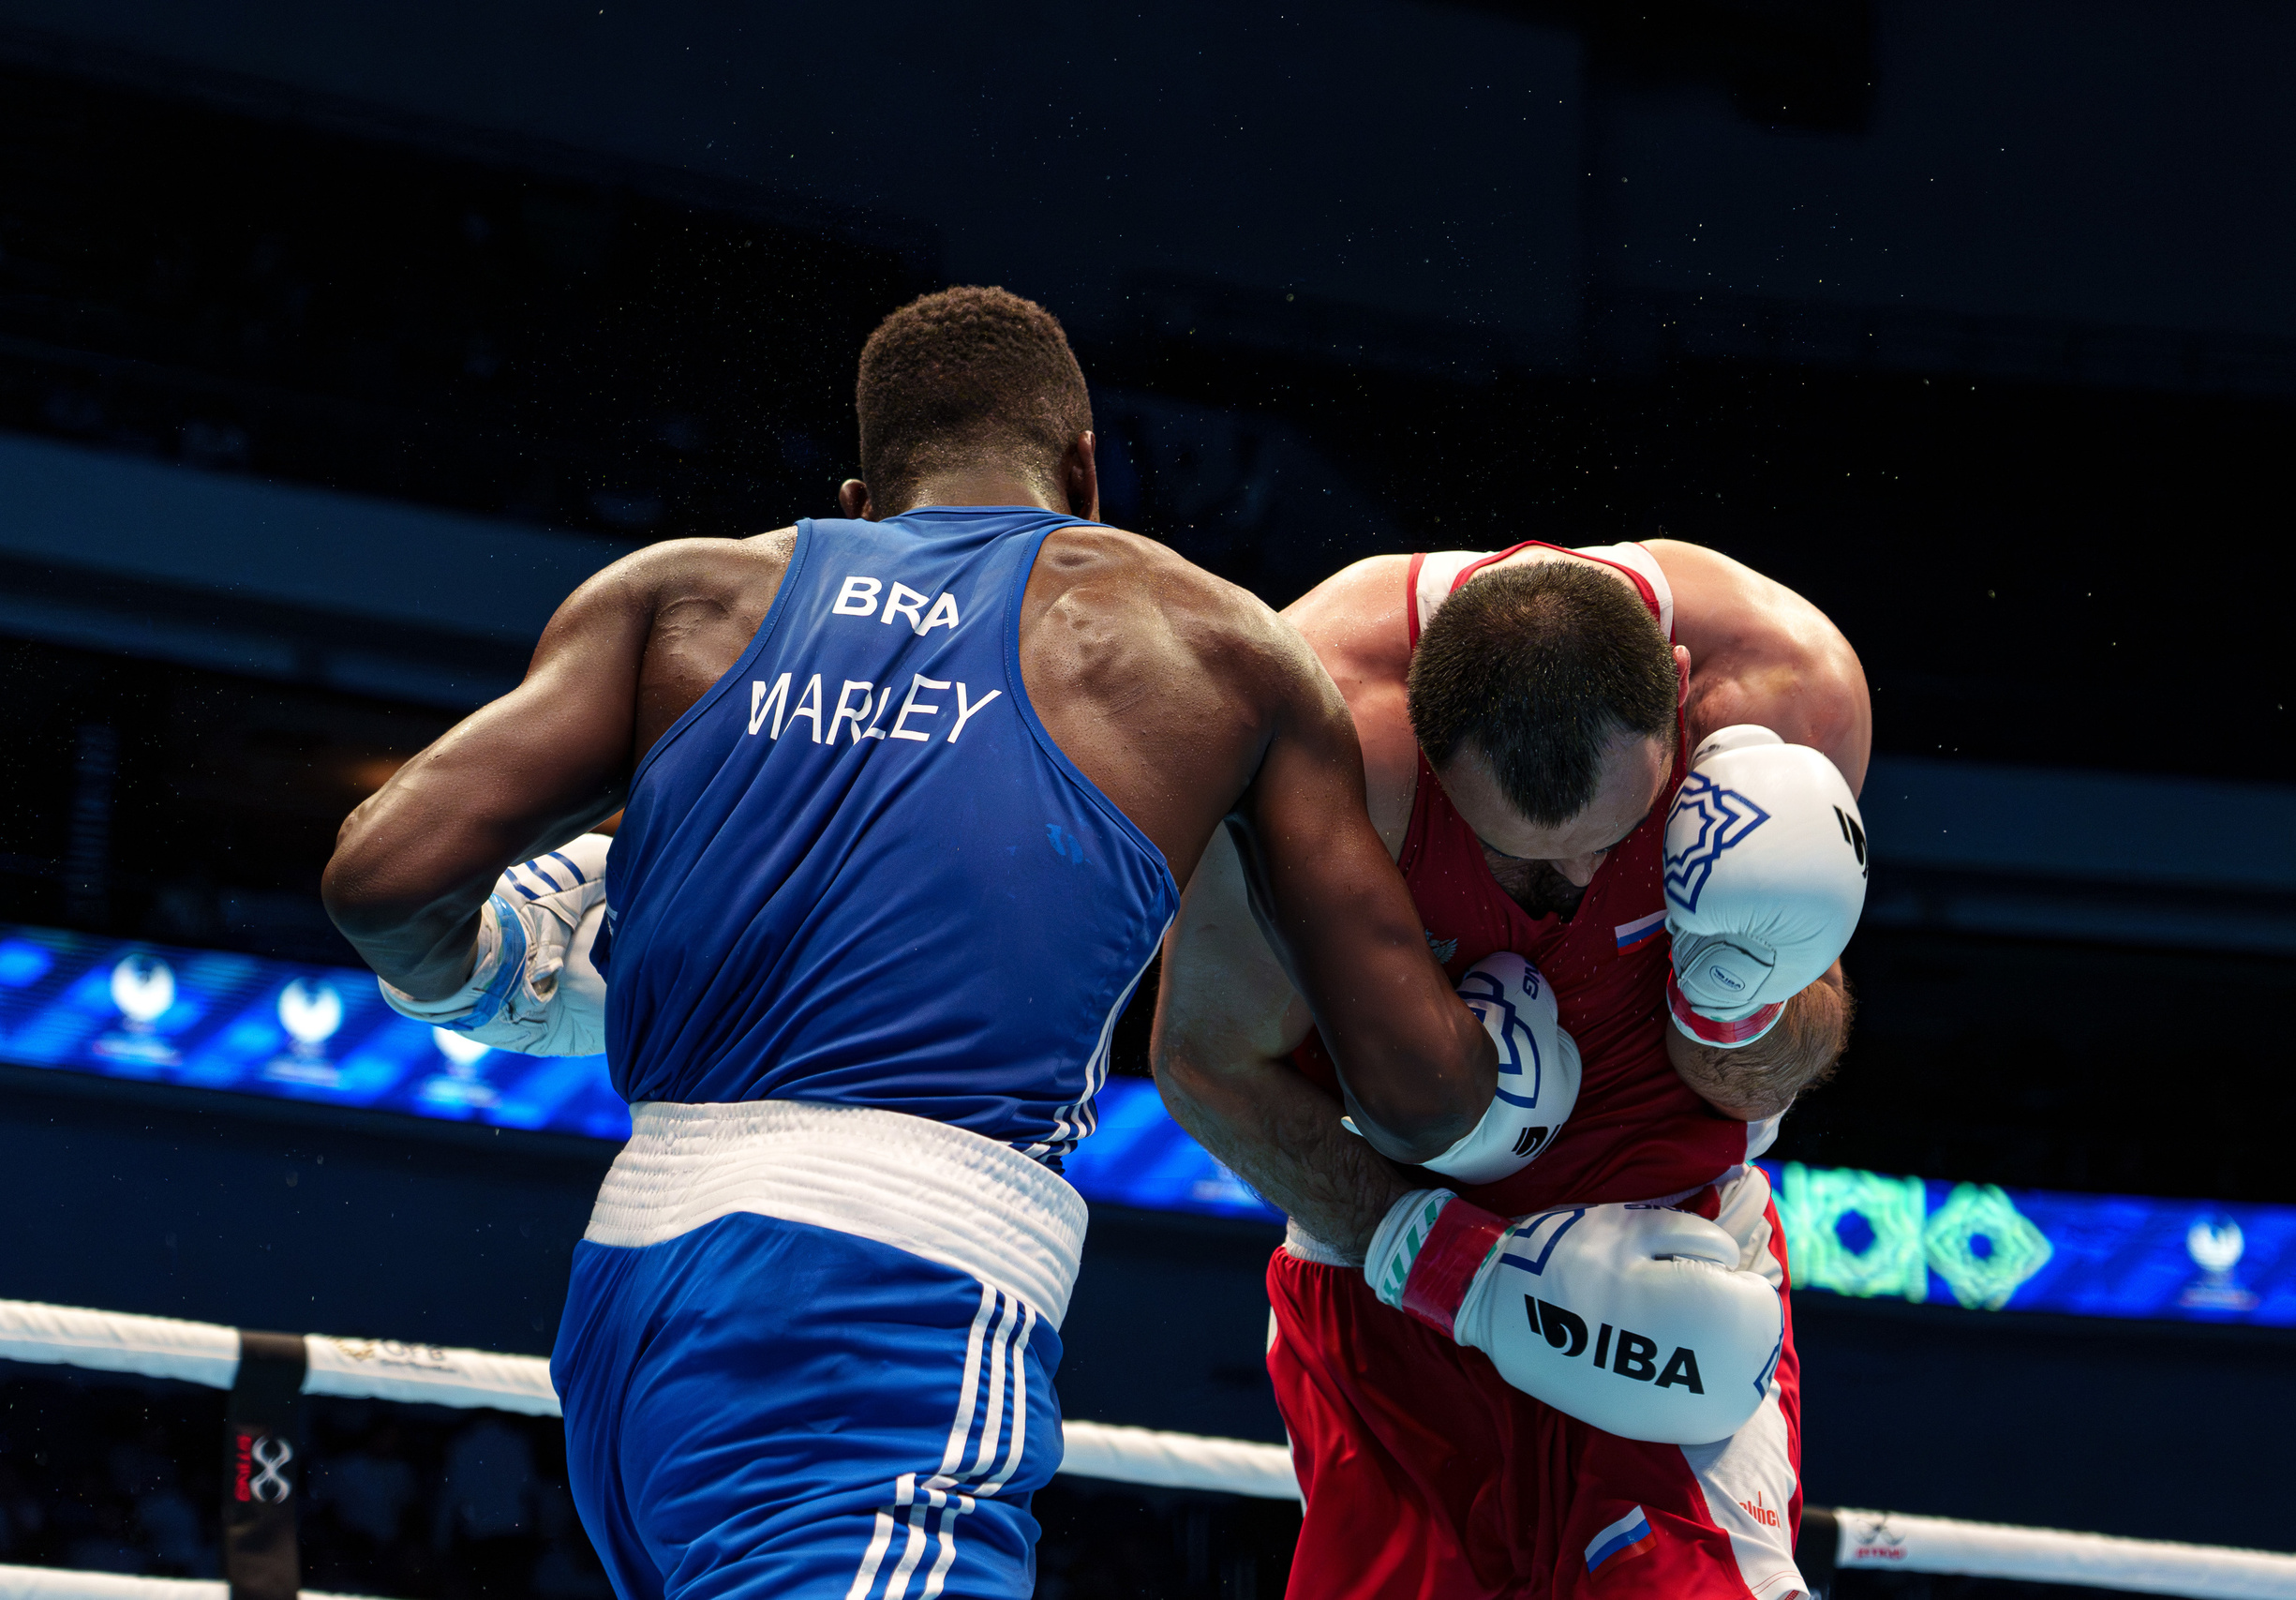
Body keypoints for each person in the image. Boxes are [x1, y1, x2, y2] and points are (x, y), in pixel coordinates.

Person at [320, 286, 1501, 1600]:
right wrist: (1516, 981)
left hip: (633, 1312)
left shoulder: (677, 598)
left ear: (860, 496)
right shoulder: (1213, 644)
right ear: (1086, 473)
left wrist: (495, 981)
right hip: (880, 1317)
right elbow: (1423, 1094)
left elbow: (379, 881)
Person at [1154, 540, 1871, 1597]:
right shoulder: (1316, 729)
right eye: (1516, 857)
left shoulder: (1784, 690)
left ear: (1677, 694)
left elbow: (1757, 1085)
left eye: (1614, 835)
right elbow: (1205, 1064)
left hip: (1673, 1269)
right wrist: (1456, 1272)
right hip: (1385, 1272)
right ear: (1421, 748)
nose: (1571, 880)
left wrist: (1731, 1000)